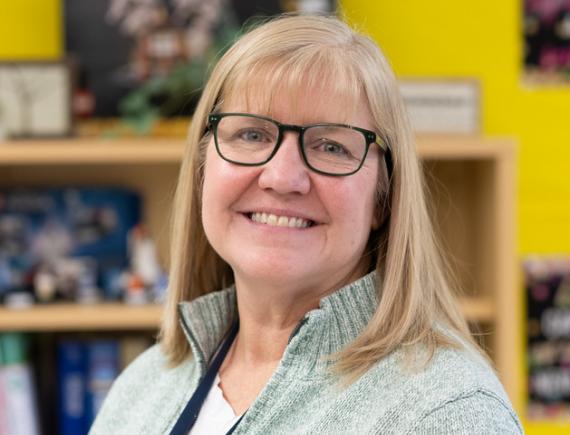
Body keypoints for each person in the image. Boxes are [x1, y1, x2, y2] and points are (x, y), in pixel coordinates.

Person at [91, 14, 523, 434]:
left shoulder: (447, 415)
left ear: (383, 200)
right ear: (204, 168)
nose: (282, 178)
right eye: (252, 135)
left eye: (331, 146)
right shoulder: (143, 387)